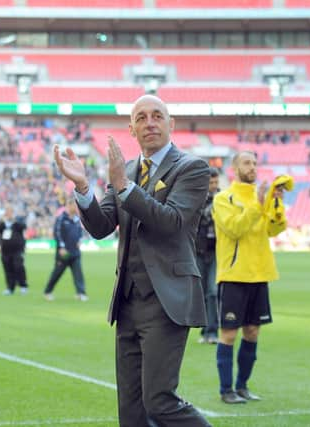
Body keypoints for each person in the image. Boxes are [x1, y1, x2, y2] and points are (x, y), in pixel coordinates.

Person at [54, 94, 211, 427]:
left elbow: (172, 222)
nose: (149, 122)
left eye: (157, 116)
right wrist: (83, 186)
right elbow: (100, 227)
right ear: (131, 129)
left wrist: (123, 187)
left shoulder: (192, 168)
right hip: (127, 302)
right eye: (141, 118)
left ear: (172, 124)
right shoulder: (124, 171)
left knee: (159, 401)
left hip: (167, 299)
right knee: (131, 410)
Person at [212, 151, 290, 404]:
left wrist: (276, 204)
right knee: (229, 334)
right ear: (234, 168)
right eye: (247, 162)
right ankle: (226, 391)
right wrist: (259, 203)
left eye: (255, 163)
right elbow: (234, 228)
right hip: (234, 274)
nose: (252, 167)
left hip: (260, 273)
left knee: (253, 332)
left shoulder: (262, 198)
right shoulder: (224, 199)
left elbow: (274, 229)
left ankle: (242, 387)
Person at [43, 198, 87, 301]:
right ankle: (47, 291)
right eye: (75, 206)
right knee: (57, 273)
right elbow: (57, 233)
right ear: (69, 205)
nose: (77, 208)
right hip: (64, 252)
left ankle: (81, 293)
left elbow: (80, 232)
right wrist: (61, 247)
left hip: (75, 252)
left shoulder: (77, 219)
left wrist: (80, 240)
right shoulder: (61, 218)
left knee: (78, 273)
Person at [196, 167, 220, 344]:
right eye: (210, 182)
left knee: (212, 291)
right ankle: (205, 329)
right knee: (202, 291)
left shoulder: (224, 200)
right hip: (199, 251)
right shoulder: (196, 200)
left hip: (217, 251)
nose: (213, 186)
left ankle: (213, 331)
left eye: (215, 182)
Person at [0, 205, 29, 296]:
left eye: (10, 212)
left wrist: (14, 221)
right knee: (8, 269)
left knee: (19, 267)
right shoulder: (3, 224)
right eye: (7, 212)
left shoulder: (18, 221)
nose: (8, 214)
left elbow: (23, 227)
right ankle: (10, 288)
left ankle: (23, 286)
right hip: (5, 250)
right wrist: (3, 221)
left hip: (17, 249)